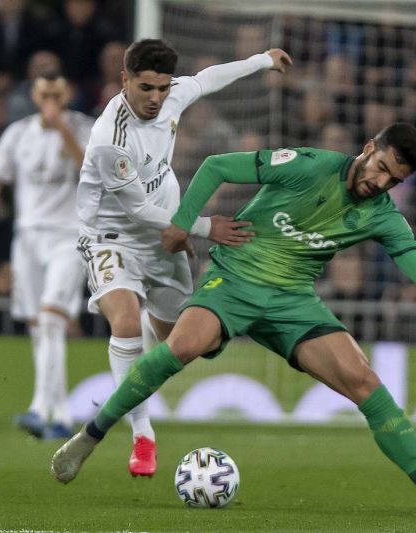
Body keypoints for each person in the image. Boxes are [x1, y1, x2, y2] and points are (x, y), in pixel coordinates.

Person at [53, 123, 416, 510]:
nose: (380, 183)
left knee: (363, 380)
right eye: (381, 168)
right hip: (235, 281)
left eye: (394, 181)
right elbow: (217, 165)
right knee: (181, 346)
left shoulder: (383, 215)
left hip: (293, 303)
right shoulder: (308, 165)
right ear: (368, 149)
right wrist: (184, 225)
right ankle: (91, 436)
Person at [73, 38, 292, 478]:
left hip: (165, 240)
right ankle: (142, 434)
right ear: (125, 81)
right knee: (126, 324)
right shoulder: (108, 139)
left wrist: (260, 61)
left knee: (185, 345)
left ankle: (196, 338)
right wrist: (204, 226)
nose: (156, 98)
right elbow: (136, 210)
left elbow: (208, 80)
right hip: (111, 237)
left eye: (163, 88)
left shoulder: (172, 95)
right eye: (146, 88)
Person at [0, 73, 95, 440]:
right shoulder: (18, 133)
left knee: (51, 321)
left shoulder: (84, 127)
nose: (50, 99)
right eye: (44, 93)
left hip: (68, 236)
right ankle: (61, 415)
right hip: (28, 239)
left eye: (56, 92)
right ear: (33, 94)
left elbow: (91, 173)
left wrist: (61, 128)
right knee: (38, 329)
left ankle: (38, 409)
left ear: (68, 93)